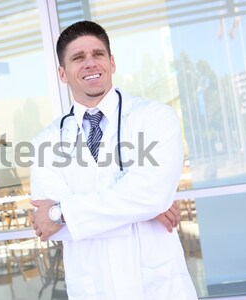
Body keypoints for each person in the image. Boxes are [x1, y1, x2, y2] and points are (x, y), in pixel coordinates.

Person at [30, 20, 197, 300]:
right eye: (78, 58)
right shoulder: (45, 142)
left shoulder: (155, 118)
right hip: (94, 288)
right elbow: (50, 228)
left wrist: (63, 212)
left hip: (157, 286)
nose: (90, 63)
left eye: (97, 54)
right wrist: (141, 207)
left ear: (112, 62)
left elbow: (151, 194)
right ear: (62, 73)